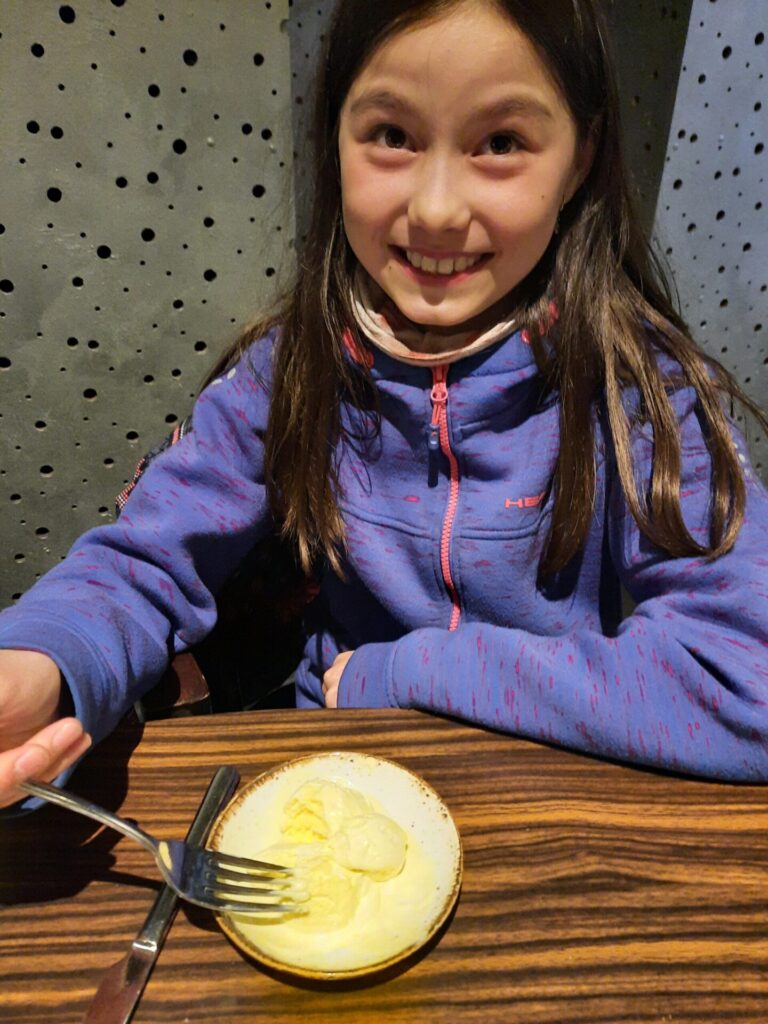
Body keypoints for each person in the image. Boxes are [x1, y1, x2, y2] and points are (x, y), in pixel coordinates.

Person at [1, 0, 767, 809]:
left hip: (546, 801)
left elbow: (746, 678)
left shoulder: (640, 390)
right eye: (393, 135)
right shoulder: (288, 370)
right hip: (333, 784)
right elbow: (143, 561)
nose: (436, 209)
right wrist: (42, 663)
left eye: (501, 143)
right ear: (334, 138)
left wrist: (408, 672)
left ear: (580, 160)